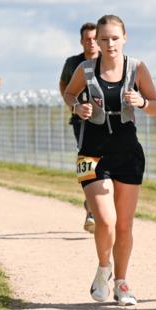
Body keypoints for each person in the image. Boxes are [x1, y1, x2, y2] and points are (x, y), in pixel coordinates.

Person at [63, 14, 156, 307]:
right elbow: (69, 93)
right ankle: (103, 266)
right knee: (105, 220)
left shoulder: (137, 68)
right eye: (102, 39)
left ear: (125, 37)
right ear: (96, 41)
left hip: (128, 152)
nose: (109, 44)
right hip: (91, 152)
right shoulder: (85, 69)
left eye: (114, 38)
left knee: (124, 225)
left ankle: (121, 282)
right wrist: (77, 106)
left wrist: (142, 102)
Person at [60, 22, 101, 233]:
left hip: (108, 122)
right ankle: (92, 207)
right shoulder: (73, 63)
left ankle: (98, 205)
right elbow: (64, 88)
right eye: (88, 39)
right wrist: (75, 107)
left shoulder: (109, 61)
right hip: (82, 122)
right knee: (87, 161)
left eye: (95, 38)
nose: (92, 42)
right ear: (81, 41)